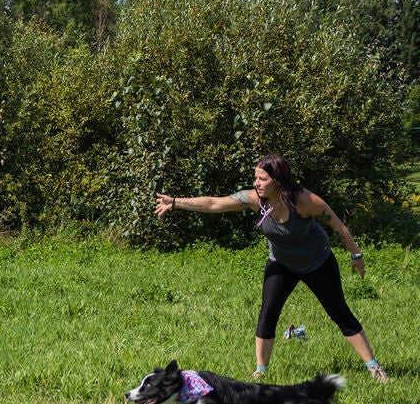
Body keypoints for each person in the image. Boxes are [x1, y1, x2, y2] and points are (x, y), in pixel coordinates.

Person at [154, 153, 388, 383]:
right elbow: (215, 203)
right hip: (282, 263)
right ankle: (261, 370)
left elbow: (338, 226)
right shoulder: (255, 199)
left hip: (317, 262)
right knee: (268, 314)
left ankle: (374, 367)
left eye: (262, 179)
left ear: (277, 180)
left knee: (339, 312)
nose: (256, 183)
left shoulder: (303, 200)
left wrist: (356, 254)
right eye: (255, 178)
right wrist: (175, 202)